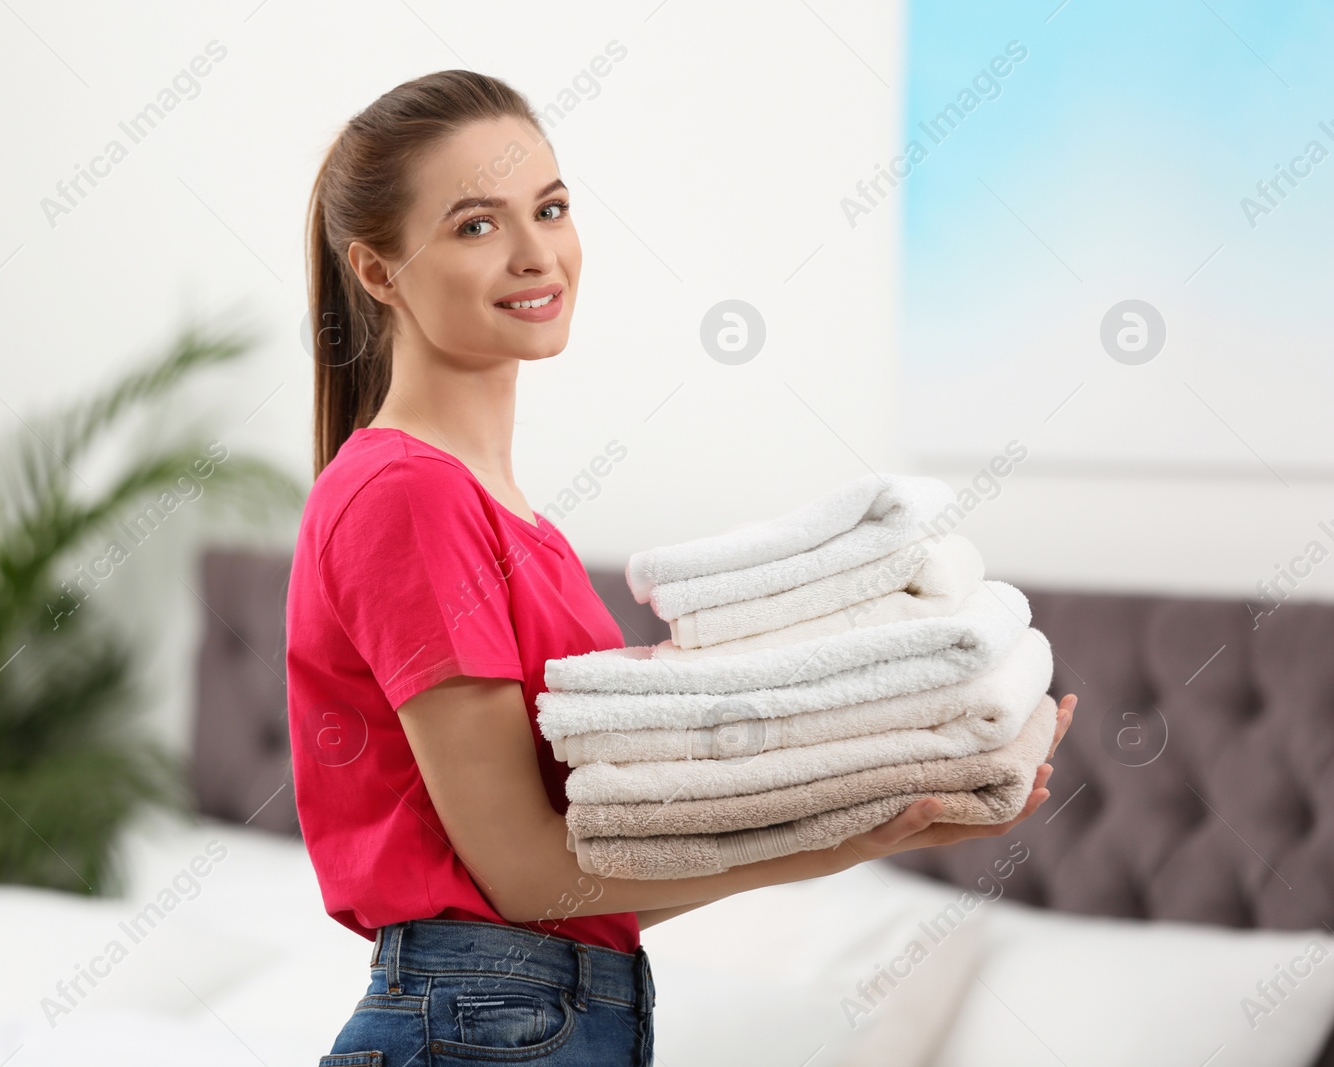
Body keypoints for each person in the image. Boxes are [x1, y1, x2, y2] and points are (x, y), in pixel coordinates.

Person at [285, 68, 1077, 1067]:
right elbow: (527, 875)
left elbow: (587, 893)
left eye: (552, 207)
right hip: (483, 1021)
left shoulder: (508, 517)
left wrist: (869, 826)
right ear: (377, 270)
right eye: (476, 225)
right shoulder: (408, 492)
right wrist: (832, 839)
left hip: (548, 1014)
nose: (537, 253)